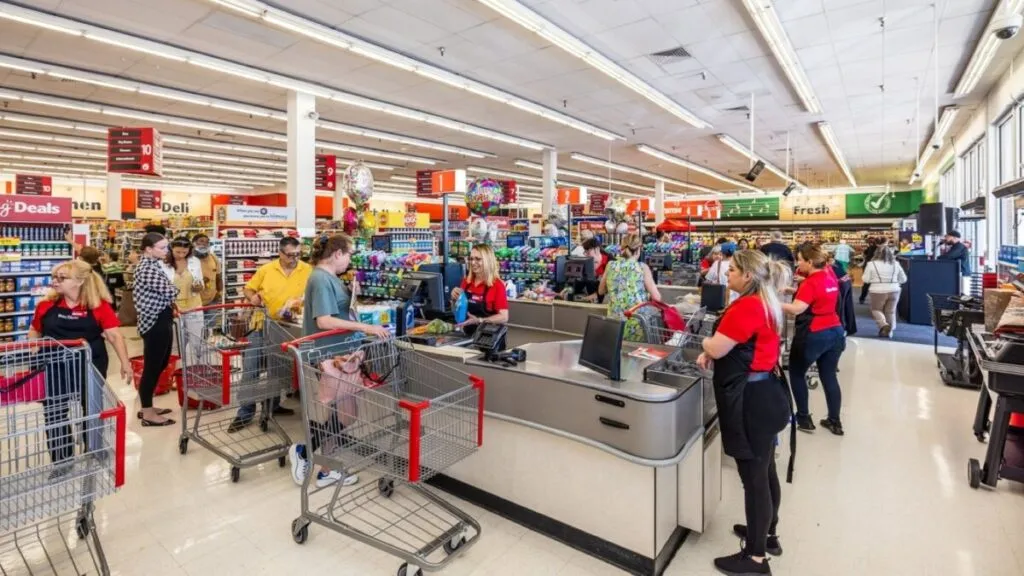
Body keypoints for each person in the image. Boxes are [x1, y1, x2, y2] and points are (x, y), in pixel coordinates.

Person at [695, 250, 791, 575]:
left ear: (747, 276)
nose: (727, 274)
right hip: (769, 394)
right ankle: (768, 535)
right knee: (765, 472)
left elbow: (717, 346)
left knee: (754, 479)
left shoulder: (748, 306)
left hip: (751, 401)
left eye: (733, 270)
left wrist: (707, 346)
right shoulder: (768, 302)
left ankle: (755, 558)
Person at [287, 234, 390, 489]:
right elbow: (324, 320)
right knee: (347, 413)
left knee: (342, 412)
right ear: (336, 254)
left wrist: (351, 295)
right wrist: (364, 328)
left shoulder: (328, 278)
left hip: (339, 354)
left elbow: (338, 309)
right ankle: (303, 451)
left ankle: (325, 469)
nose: (350, 259)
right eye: (348, 254)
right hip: (329, 356)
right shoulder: (321, 279)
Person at [29, 261, 133, 469]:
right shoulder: (46, 305)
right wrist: (33, 347)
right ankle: (62, 460)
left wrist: (125, 363)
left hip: (90, 363)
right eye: (54, 277)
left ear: (80, 281)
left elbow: (114, 335)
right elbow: (35, 329)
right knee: (55, 411)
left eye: (62, 278)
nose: (55, 281)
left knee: (92, 406)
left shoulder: (98, 306)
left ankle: (93, 448)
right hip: (54, 364)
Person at [228, 237, 309, 431]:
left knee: (279, 370)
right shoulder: (267, 269)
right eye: (290, 255)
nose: (294, 259)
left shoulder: (307, 269)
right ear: (280, 253)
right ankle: (245, 412)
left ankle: (272, 406)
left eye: (298, 254)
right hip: (262, 324)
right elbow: (248, 289)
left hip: (288, 328)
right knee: (251, 369)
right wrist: (253, 297)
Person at [783, 244, 846, 436]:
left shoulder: (809, 283)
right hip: (835, 331)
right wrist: (790, 289)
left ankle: (804, 418)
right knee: (829, 376)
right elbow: (820, 296)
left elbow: (796, 309)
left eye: (800, 260)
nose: (798, 263)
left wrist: (770, 301)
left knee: (796, 373)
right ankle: (834, 421)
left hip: (813, 333)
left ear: (810, 262)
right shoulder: (829, 275)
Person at [132, 232, 177, 426]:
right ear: (149, 249)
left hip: (161, 318)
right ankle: (148, 414)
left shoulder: (153, 265)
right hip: (155, 321)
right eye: (162, 248)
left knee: (160, 363)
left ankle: (147, 406)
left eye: (167, 247)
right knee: (152, 366)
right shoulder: (147, 269)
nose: (166, 251)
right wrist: (173, 290)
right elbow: (171, 290)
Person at [599, 234, 661, 342]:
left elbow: (601, 290)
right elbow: (656, 297)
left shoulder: (610, 265)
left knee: (618, 353)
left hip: (615, 323)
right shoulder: (642, 267)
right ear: (638, 250)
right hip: (637, 324)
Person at [450, 244, 511, 335]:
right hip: (467, 335)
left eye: (478, 259)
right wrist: (454, 299)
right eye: (471, 259)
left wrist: (479, 320)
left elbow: (504, 317)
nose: (473, 262)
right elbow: (458, 309)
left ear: (488, 261)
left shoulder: (497, 285)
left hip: (488, 338)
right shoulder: (466, 282)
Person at [861, 246, 907, 338]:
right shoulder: (896, 264)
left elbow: (865, 279)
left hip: (877, 290)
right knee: (890, 312)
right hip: (894, 290)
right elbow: (903, 279)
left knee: (876, 310)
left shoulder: (871, 264)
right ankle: (890, 332)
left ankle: (884, 325)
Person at [168, 237, 204, 313]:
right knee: (176, 325)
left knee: (196, 325)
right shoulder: (164, 263)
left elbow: (200, 281)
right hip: (173, 305)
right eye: (177, 252)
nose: (181, 255)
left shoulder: (195, 261)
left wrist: (199, 287)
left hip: (194, 303)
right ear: (171, 248)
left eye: (185, 252)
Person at [192, 234, 222, 306]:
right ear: (193, 243)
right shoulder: (188, 259)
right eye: (201, 241)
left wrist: (219, 293)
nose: (204, 244)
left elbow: (218, 277)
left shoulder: (213, 257)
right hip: (194, 301)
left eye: (207, 242)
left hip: (211, 299)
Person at [859, 238, 878, 304]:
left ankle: (862, 298)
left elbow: (864, 254)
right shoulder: (878, 249)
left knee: (866, 283)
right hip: (875, 267)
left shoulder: (869, 248)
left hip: (867, 266)